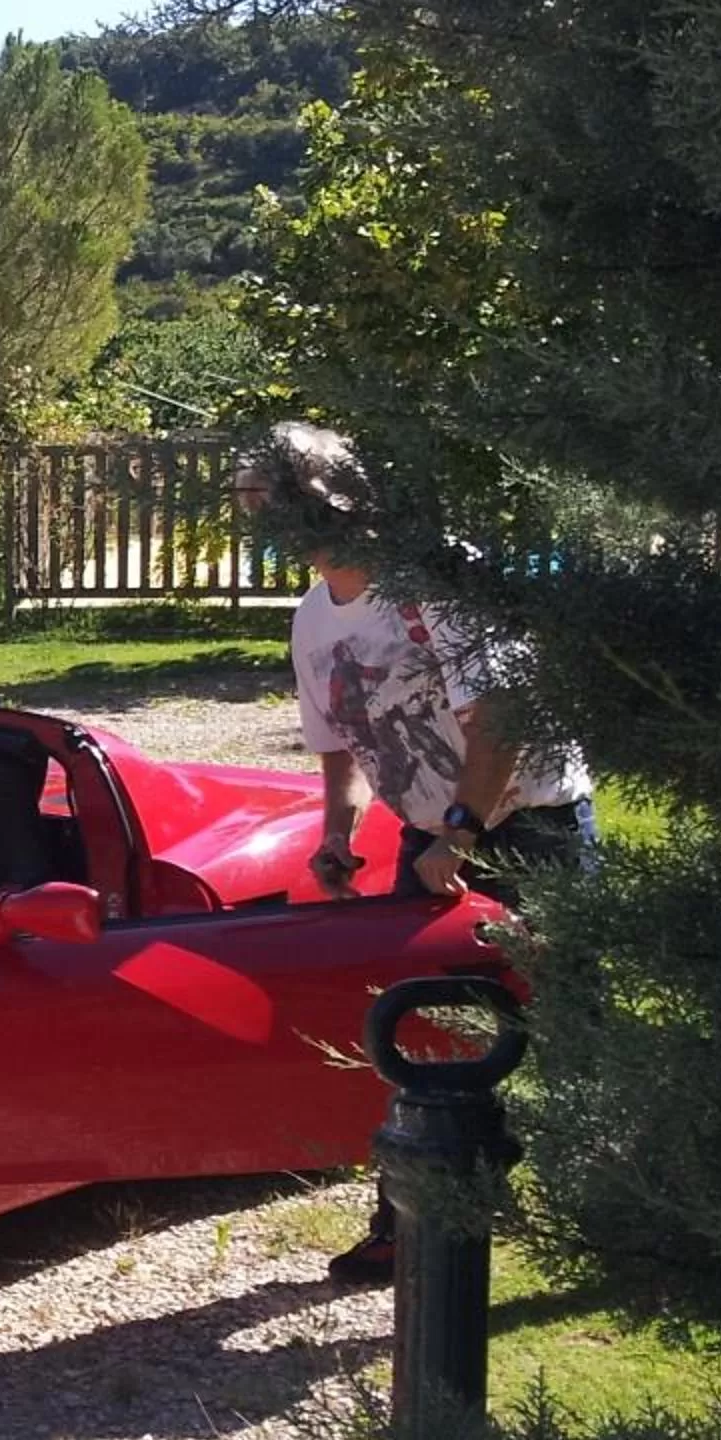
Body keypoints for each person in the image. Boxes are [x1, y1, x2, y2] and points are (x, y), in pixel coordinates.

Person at [231, 422, 597, 1285]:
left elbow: (501, 713)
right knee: (421, 1029)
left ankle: (618, 1218)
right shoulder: (314, 615)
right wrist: (335, 834)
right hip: (432, 838)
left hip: (527, 825)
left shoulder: (437, 581)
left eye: (269, 507)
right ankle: (411, 1221)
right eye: (250, 511)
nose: (262, 530)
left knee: (572, 1024)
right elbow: (338, 743)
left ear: (328, 499)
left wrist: (464, 828)